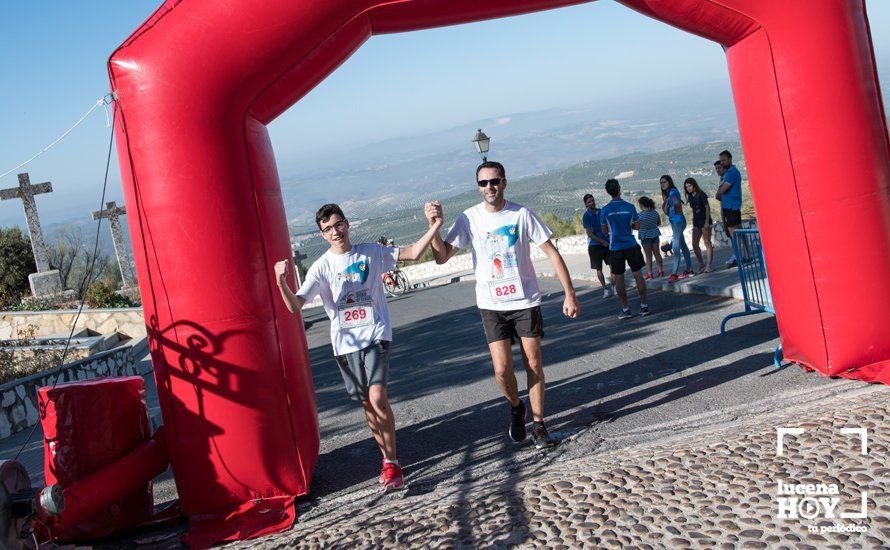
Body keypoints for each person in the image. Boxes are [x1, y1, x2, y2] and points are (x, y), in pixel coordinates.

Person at [273, 203, 443, 492]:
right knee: (367, 404)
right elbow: (294, 307)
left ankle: (392, 462)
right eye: (327, 229)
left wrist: (435, 226)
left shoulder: (371, 252)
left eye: (338, 225)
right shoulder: (322, 267)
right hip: (345, 345)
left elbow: (413, 253)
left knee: (377, 397)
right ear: (322, 235)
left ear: (347, 224)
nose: (335, 232)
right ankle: (386, 459)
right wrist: (280, 281)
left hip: (376, 335)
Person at [427, 161, 580, 450]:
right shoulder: (469, 218)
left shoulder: (522, 214)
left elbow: (552, 251)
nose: (489, 187)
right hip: (491, 305)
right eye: (483, 183)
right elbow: (442, 257)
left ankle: (539, 426)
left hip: (525, 300)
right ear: (478, 187)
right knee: (501, 370)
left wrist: (569, 293)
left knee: (534, 363)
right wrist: (435, 227)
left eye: (494, 181)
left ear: (504, 182)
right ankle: (515, 405)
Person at [599, 178, 649, 319]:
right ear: (619, 189)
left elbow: (604, 231)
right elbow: (637, 226)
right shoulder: (630, 206)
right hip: (631, 245)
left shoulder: (605, 210)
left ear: (608, 192)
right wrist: (628, 226)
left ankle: (626, 309)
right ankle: (644, 306)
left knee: (619, 278)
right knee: (638, 275)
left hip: (616, 247)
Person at [660, 175, 692, 282]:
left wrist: (676, 212)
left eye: (664, 182)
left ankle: (674, 273)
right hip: (675, 222)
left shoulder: (672, 191)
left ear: (669, 182)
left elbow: (676, 203)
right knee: (683, 246)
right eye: (661, 183)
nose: (662, 184)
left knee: (676, 247)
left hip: (678, 222)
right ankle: (689, 269)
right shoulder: (669, 193)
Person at [715, 150, 743, 268]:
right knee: (734, 234)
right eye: (721, 161)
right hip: (728, 206)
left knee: (734, 233)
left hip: (732, 206)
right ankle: (739, 255)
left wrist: (718, 193)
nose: (722, 163)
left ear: (730, 159)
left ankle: (739, 256)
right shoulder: (728, 173)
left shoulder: (732, 173)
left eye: (724, 160)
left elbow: (723, 189)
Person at [581, 194, 612, 298]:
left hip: (607, 243)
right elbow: (590, 233)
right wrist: (602, 242)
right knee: (599, 269)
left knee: (612, 265)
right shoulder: (586, 216)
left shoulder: (601, 211)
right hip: (595, 246)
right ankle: (605, 289)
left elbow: (607, 225)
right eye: (589, 202)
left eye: (593, 200)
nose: (592, 203)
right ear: (586, 204)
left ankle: (615, 286)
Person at [684, 177, 714, 273]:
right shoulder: (690, 197)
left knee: (707, 242)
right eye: (686, 187)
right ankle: (701, 263)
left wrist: (706, 222)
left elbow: (707, 207)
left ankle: (709, 265)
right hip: (696, 221)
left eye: (690, 186)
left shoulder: (701, 194)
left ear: (694, 185)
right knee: (694, 243)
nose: (688, 188)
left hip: (704, 220)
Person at [636, 196, 663, 279]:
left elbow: (637, 226)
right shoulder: (655, 212)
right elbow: (658, 223)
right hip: (655, 234)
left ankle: (650, 274)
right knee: (657, 253)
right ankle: (660, 271)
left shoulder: (639, 215)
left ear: (641, 205)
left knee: (648, 256)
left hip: (645, 236)